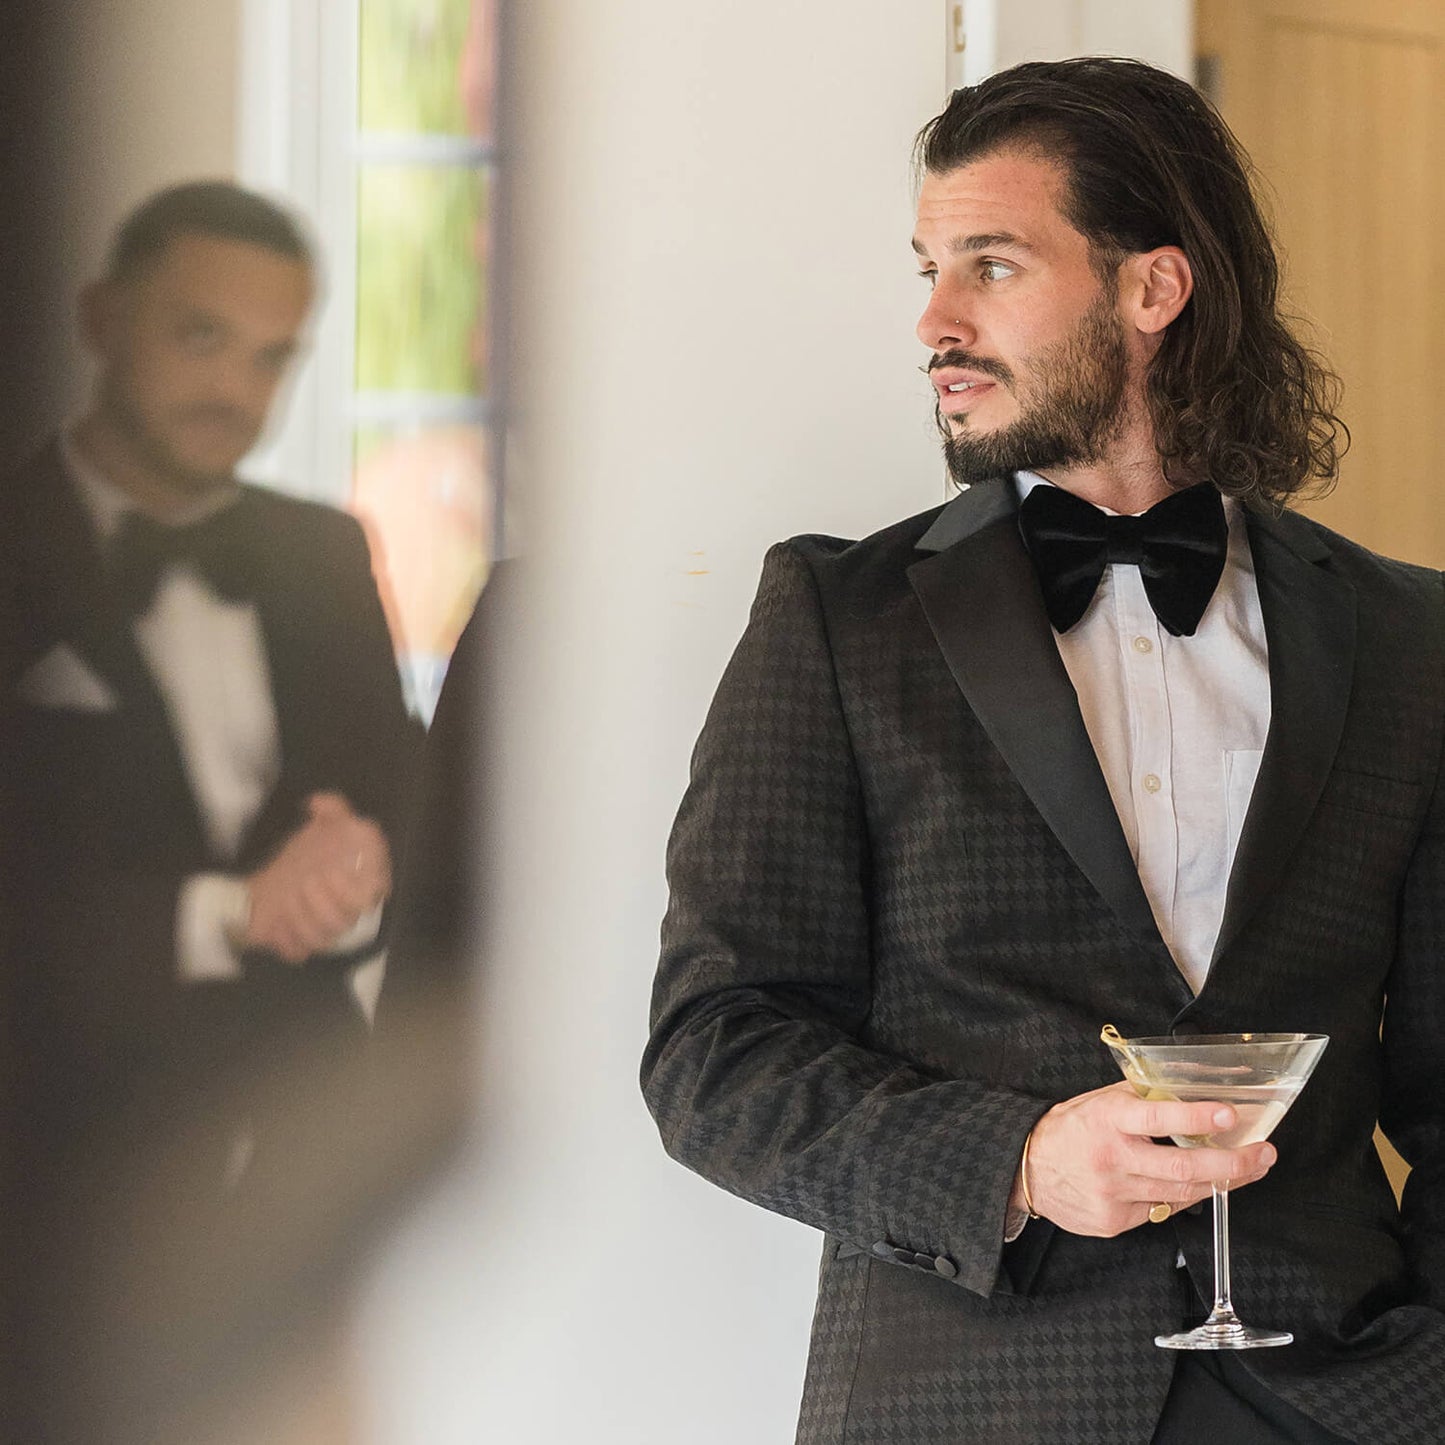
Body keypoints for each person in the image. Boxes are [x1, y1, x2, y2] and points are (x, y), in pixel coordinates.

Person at [642, 58, 1445, 1444]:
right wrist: (1016, 1162)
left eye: (992, 265)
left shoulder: (1407, 636)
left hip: (1346, 1400)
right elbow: (717, 1051)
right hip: (975, 1399)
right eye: (929, 265)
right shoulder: (836, 621)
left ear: (1151, 290)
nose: (932, 320)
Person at [1, 181, 414, 1442]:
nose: (236, 386)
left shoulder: (322, 551)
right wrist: (232, 908)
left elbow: (391, 798)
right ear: (99, 316)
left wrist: (362, 870)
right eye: (199, 335)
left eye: (271, 355)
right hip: (64, 1164)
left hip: (310, 1151)